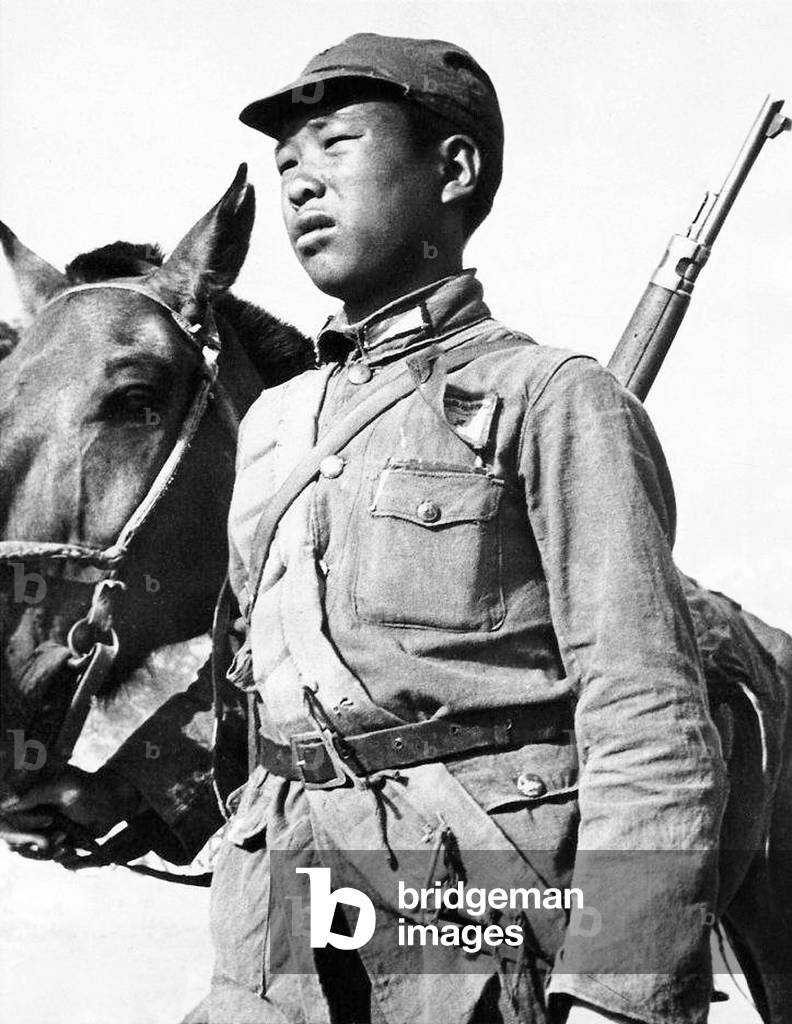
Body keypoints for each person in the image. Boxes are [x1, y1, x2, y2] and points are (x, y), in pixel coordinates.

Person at [7, 33, 728, 1024]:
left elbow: (647, 714)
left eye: (336, 144)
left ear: (454, 169)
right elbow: (254, 691)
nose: (301, 179)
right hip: (273, 942)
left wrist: (619, 990)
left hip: (472, 931)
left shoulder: (554, 401)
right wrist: (119, 799)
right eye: (287, 160)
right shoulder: (272, 426)